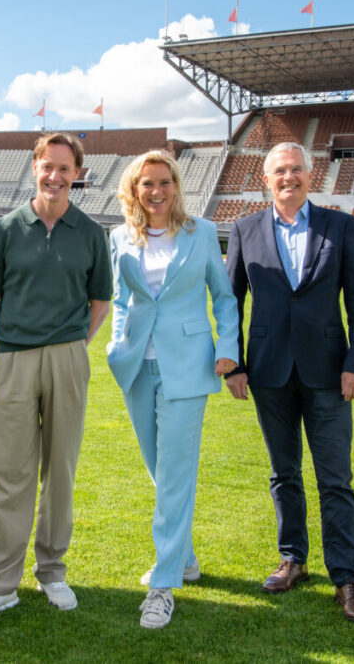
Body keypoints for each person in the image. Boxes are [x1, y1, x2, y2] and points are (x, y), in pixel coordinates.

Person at [0, 132, 112, 625]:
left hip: (68, 357)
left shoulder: (90, 231)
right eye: (48, 166)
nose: (56, 176)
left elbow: (99, 303)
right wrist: (18, 339)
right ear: (35, 167)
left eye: (65, 168)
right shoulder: (5, 228)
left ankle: (52, 571)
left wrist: (68, 344)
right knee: (6, 469)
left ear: (77, 174)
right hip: (14, 358)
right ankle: (0, 583)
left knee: (59, 469)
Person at [225, 141, 354, 624]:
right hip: (269, 372)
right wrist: (236, 365)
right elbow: (232, 304)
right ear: (265, 179)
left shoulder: (340, 225)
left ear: (312, 176)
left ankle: (346, 578)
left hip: (330, 372)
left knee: (335, 478)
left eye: (297, 170)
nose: (289, 177)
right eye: (280, 171)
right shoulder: (245, 229)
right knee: (283, 473)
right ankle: (293, 560)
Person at [106, 150, 239, 629]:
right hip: (138, 366)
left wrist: (228, 346)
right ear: (134, 189)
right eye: (147, 183)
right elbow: (121, 299)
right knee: (158, 470)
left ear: (176, 186)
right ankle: (184, 559)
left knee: (176, 474)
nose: (156, 191)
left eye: (164, 182)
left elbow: (223, 298)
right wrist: (116, 347)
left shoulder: (201, 233)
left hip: (187, 366)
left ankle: (164, 585)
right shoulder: (119, 236)